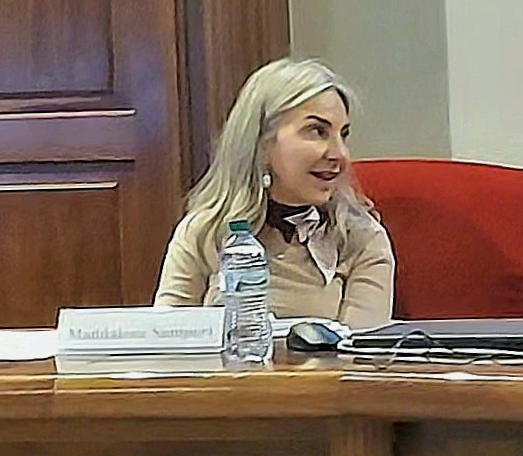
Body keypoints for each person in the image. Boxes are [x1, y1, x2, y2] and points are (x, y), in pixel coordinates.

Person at [154, 56, 395, 329]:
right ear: (262, 143)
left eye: (344, 135)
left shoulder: (362, 239)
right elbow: (166, 340)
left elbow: (359, 350)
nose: (339, 154)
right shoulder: (203, 232)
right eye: (317, 131)